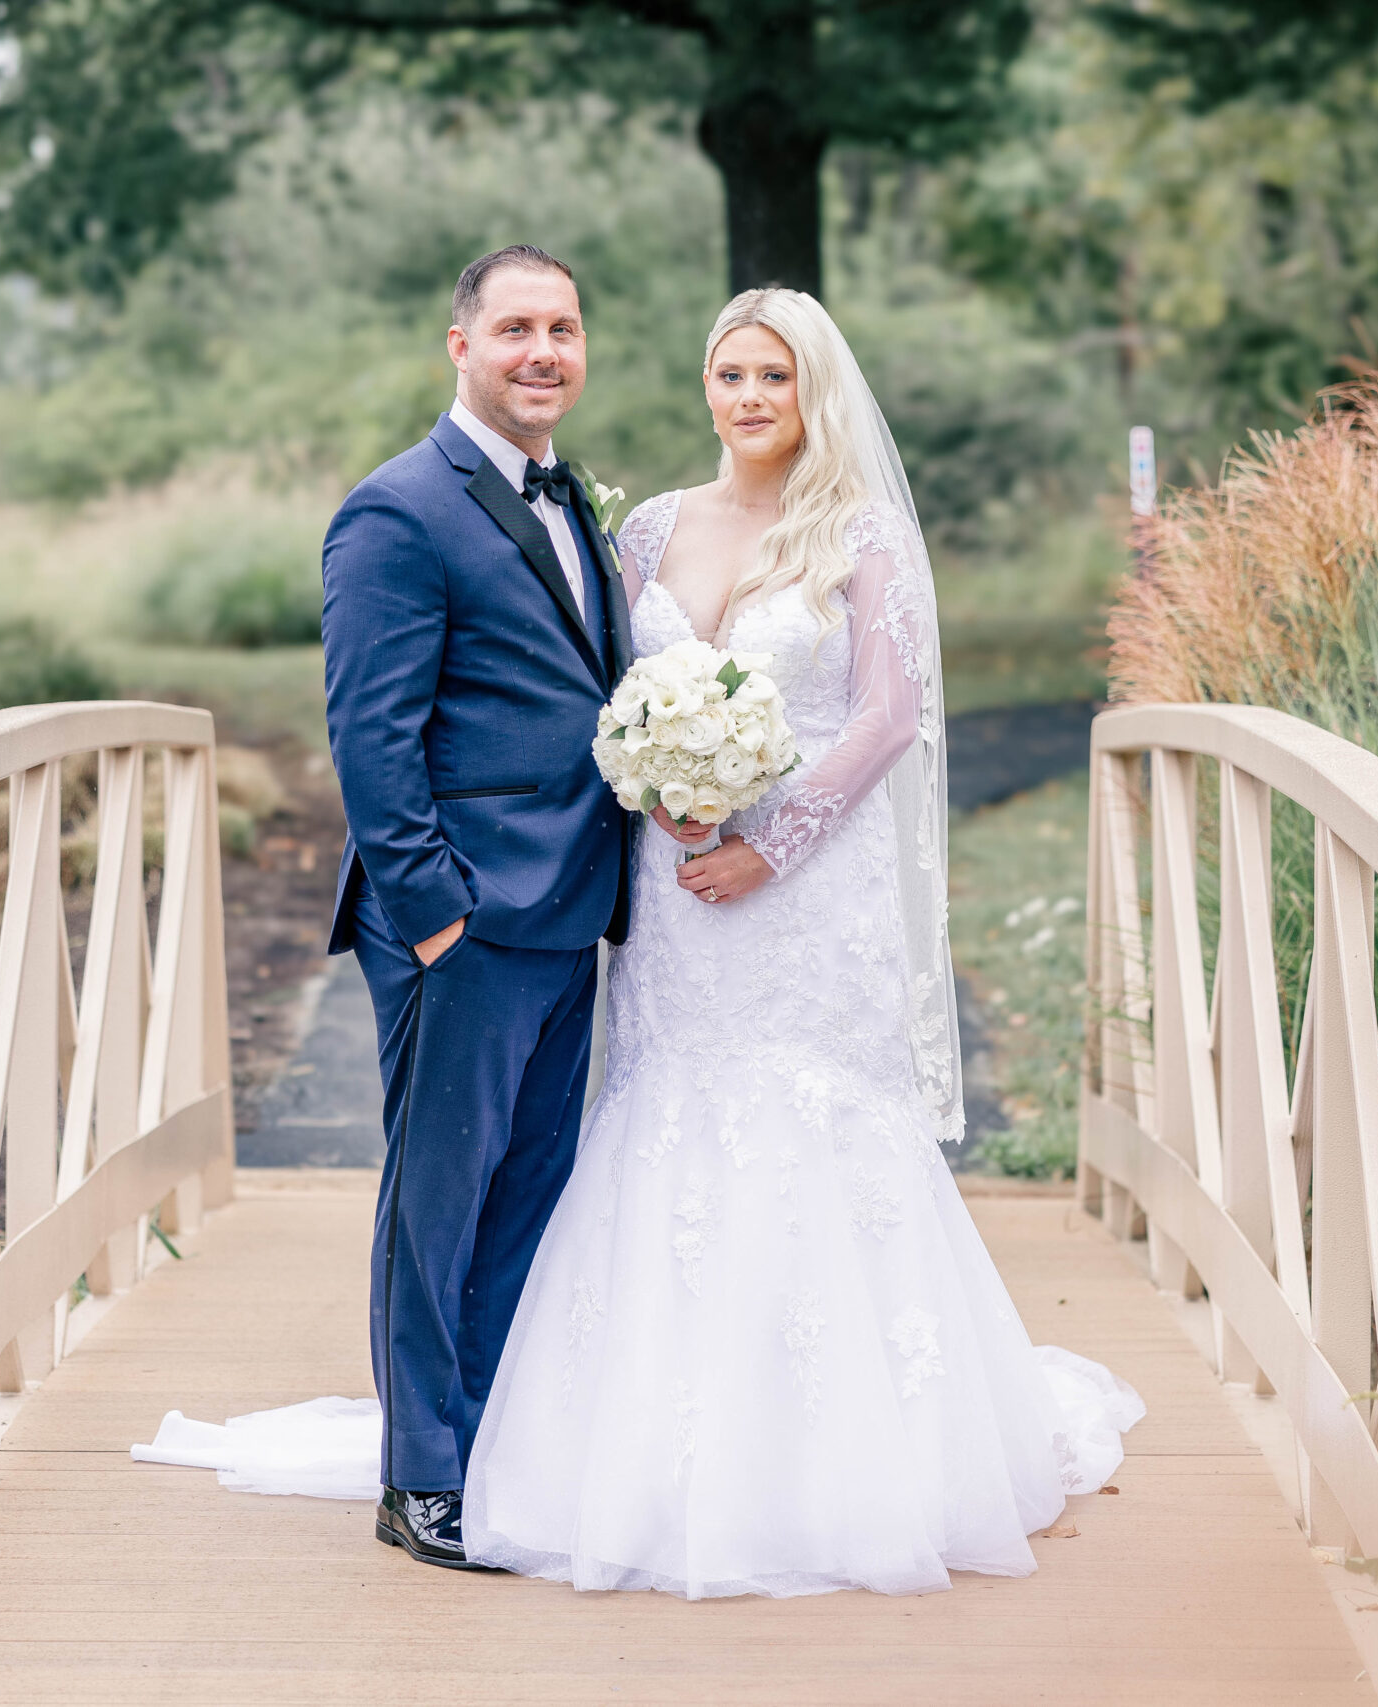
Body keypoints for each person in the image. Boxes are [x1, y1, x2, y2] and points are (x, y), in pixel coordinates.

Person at [459, 287, 1144, 1598]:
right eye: (731, 372)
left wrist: (771, 841)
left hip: (806, 891)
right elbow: (612, 689)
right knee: (667, 1113)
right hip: (674, 888)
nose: (751, 396)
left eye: (775, 373)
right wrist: (659, 785)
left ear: (811, 388)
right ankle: (645, 1457)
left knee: (816, 1121)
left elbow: (889, 716)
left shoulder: (859, 533)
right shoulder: (650, 528)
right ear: (706, 386)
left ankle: (851, 1457)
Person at [316, 244, 634, 1570]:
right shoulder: (399, 512)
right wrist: (435, 914)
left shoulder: (575, 509)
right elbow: (370, 739)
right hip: (461, 925)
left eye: (562, 327)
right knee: (437, 1204)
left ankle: (497, 1443)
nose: (542, 351)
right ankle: (423, 1479)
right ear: (461, 346)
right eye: (515, 329)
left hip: (570, 910)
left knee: (527, 1198)